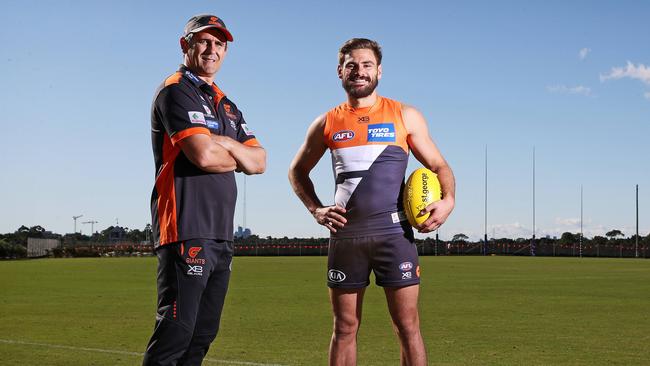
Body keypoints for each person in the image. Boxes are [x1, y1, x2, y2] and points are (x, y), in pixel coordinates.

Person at [288, 38, 455, 365]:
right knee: (345, 327)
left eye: (366, 65)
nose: (359, 71)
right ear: (340, 71)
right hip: (346, 237)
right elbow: (297, 171)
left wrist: (448, 200)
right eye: (351, 65)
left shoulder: (404, 115)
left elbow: (439, 166)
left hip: (394, 236)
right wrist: (316, 209)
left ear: (379, 71)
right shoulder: (327, 122)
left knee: (408, 327)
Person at [144, 14, 266, 366]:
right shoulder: (174, 90)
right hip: (185, 228)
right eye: (204, 41)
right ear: (186, 45)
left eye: (220, 43)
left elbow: (259, 161)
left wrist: (221, 142)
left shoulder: (226, 104)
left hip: (220, 234)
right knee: (175, 334)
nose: (212, 50)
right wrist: (234, 154)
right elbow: (201, 155)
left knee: (202, 336)